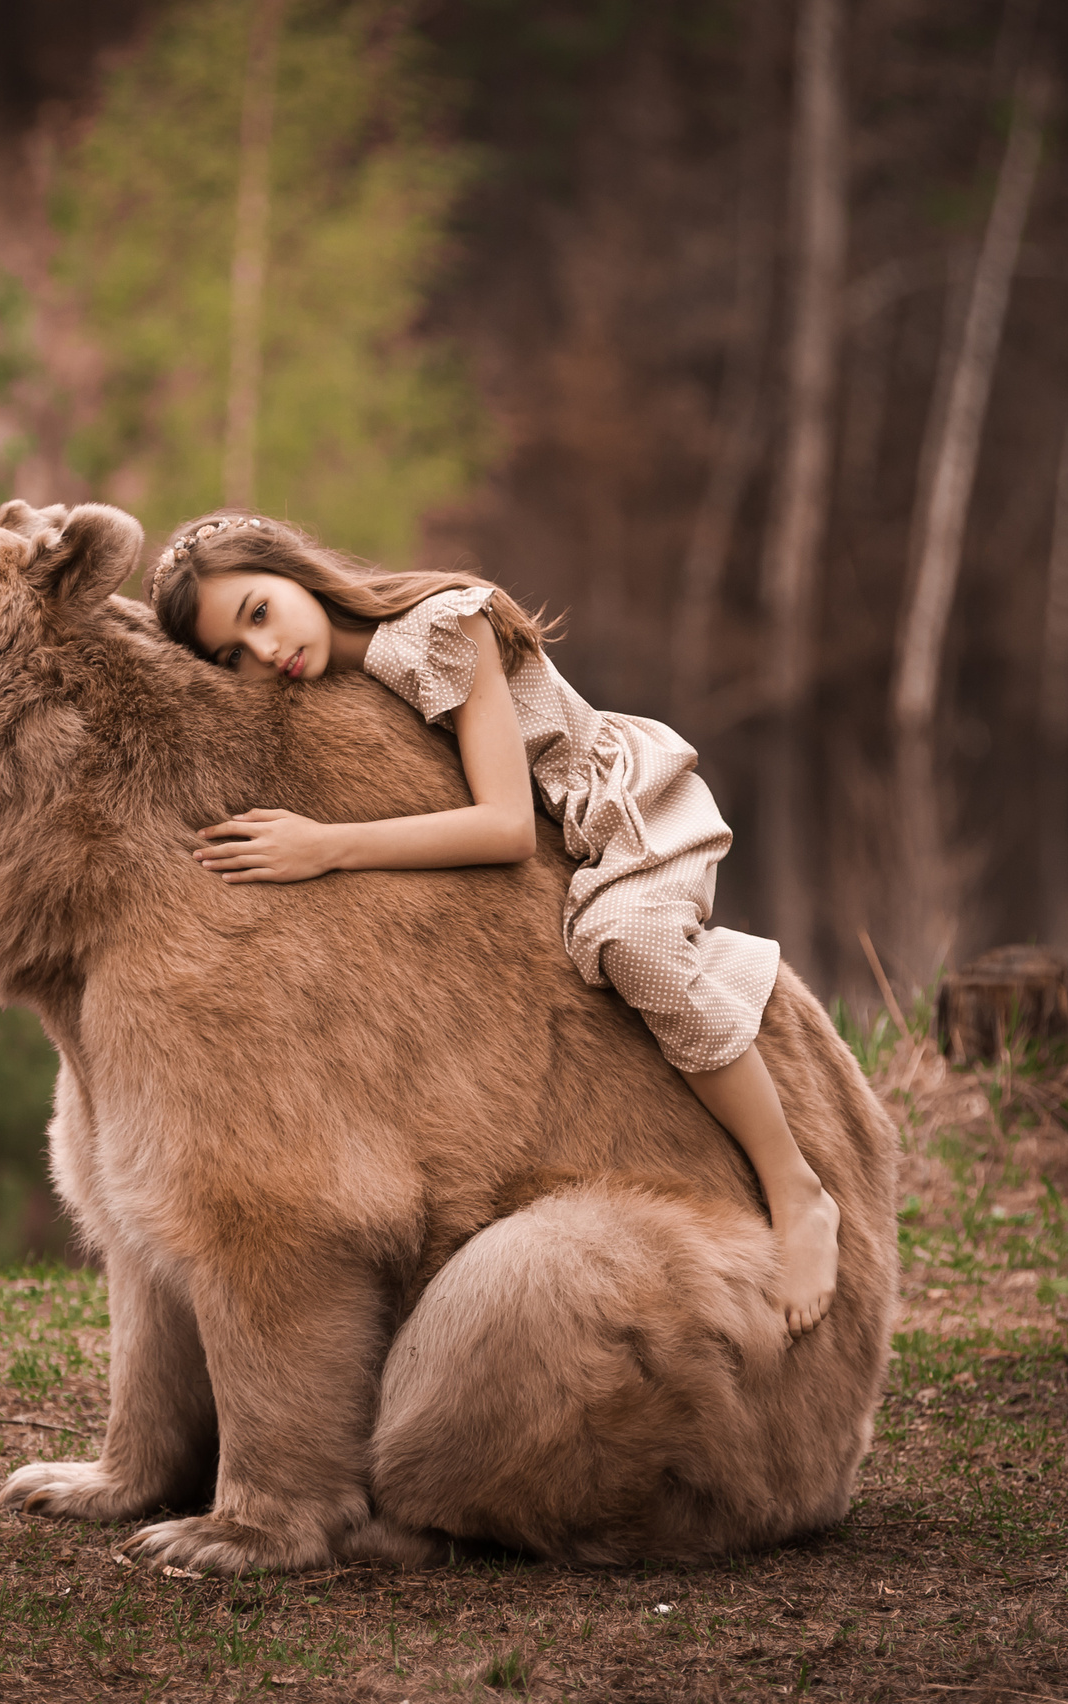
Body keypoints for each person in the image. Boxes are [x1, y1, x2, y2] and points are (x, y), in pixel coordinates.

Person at [146, 511, 840, 1339]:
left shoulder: (443, 629)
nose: (264, 654)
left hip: (621, 812)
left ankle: (796, 1188)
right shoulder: (335, 679)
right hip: (565, 840)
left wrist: (326, 848)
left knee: (633, 948)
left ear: (291, 570)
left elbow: (508, 827)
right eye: (233, 656)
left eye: (258, 613)